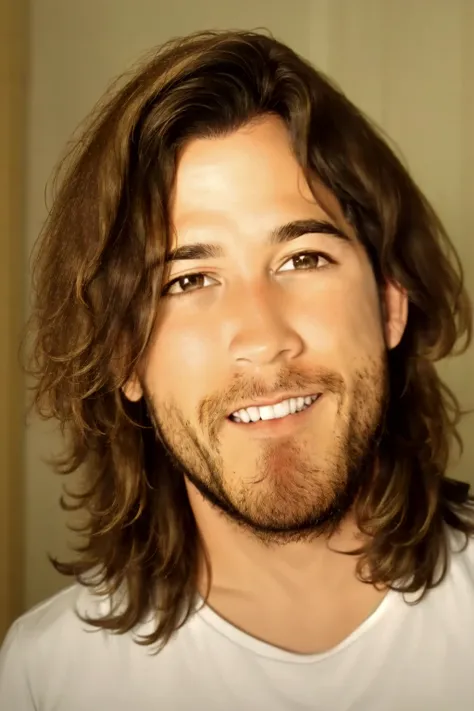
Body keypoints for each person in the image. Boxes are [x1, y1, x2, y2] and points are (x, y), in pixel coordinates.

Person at [1, 28, 473, 711]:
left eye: (303, 259)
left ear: (390, 300)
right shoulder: (48, 677)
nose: (261, 338)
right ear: (123, 354)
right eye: (189, 280)